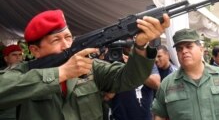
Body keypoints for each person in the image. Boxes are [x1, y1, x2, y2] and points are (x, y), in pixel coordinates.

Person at [0, 9, 170, 120]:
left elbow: (129, 79)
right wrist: (61, 73)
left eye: (68, 37)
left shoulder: (91, 67)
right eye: (56, 40)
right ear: (35, 50)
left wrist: (140, 46)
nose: (66, 45)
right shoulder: (20, 74)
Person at [151, 28, 219, 120]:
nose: (184, 51)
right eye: (179, 49)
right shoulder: (167, 84)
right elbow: (159, 116)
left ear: (201, 49)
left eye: (189, 46)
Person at [108, 53, 161, 120]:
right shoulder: (113, 59)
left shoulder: (146, 59)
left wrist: (134, 67)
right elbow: (108, 96)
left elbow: (156, 83)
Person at [0, 45, 23, 120]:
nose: (18, 57)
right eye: (14, 55)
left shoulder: (29, 71)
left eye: (20, 54)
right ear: (6, 58)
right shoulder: (1, 74)